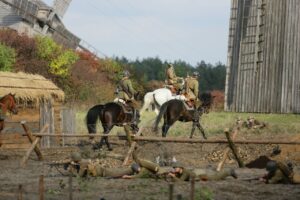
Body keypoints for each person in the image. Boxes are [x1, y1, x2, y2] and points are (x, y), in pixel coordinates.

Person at [167, 162, 237, 182]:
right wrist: (174, 175)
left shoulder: (185, 172)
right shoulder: (181, 172)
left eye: (176, 168)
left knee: (216, 177)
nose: (175, 169)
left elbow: (181, 181)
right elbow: (180, 177)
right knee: (213, 173)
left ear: (180, 168)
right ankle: (210, 168)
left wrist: (173, 176)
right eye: (174, 168)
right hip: (199, 173)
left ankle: (229, 171)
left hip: (202, 175)